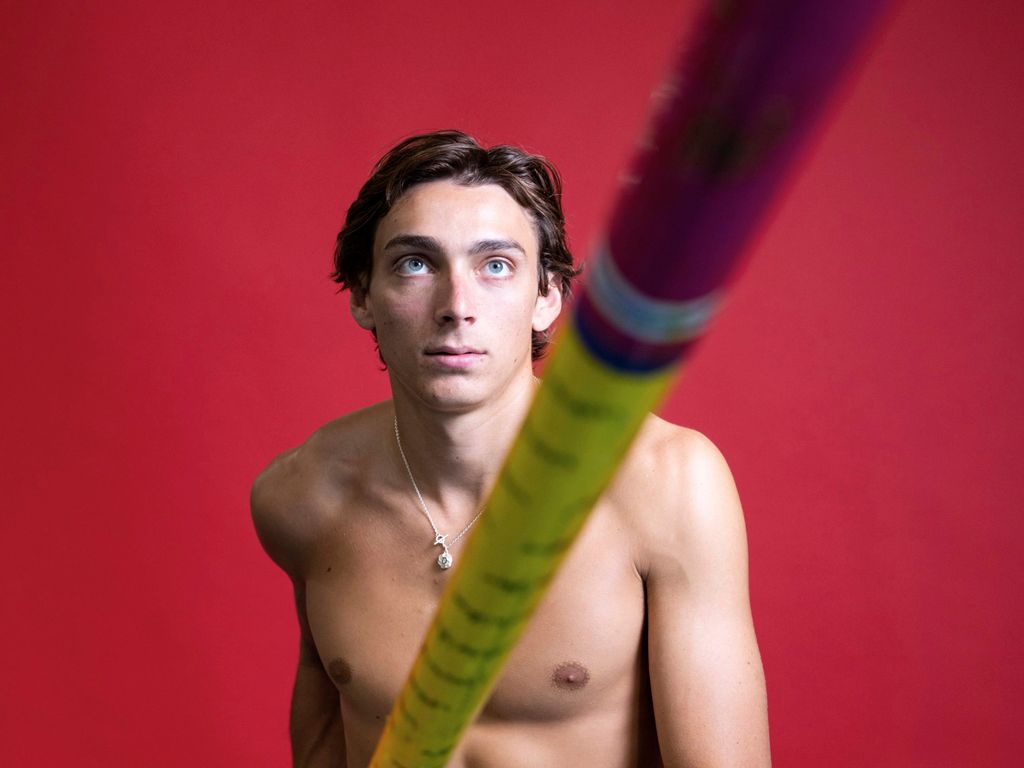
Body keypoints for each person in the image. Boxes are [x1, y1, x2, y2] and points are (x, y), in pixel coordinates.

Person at [251, 130, 770, 767]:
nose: (456, 306)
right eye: (416, 263)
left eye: (495, 265)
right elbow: (324, 743)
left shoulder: (665, 484)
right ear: (363, 295)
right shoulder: (304, 497)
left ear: (547, 296)